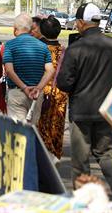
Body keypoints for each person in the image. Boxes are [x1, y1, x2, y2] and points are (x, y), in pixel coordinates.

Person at [56, 3, 112, 199]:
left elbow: (64, 83)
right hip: (108, 112)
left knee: (80, 160)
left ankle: (83, 199)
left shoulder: (76, 48)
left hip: (81, 112)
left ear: (81, 23)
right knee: (108, 155)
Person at [3, 13, 54, 124]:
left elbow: (9, 70)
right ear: (30, 29)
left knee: (17, 133)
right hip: (36, 94)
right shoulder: (43, 46)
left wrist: (25, 88)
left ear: (15, 29)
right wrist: (39, 88)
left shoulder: (10, 45)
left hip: (17, 93)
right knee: (32, 131)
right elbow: (50, 70)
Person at [36, 16, 68, 161]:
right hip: (60, 92)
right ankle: (54, 156)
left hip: (41, 91)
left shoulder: (39, 49)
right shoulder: (64, 51)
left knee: (40, 126)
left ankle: (43, 158)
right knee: (57, 126)